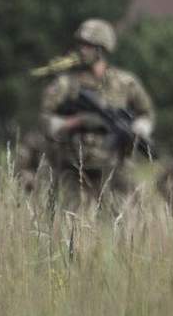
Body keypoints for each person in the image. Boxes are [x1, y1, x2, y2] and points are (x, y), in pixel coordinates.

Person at [40, 19, 155, 206]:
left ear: (101, 49)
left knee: (124, 217)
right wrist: (76, 122)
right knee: (73, 219)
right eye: (80, 44)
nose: (81, 49)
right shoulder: (65, 84)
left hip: (116, 169)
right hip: (74, 168)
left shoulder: (125, 83)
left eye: (88, 45)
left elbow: (146, 113)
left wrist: (138, 129)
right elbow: (45, 120)